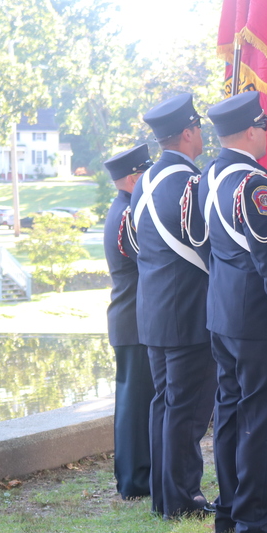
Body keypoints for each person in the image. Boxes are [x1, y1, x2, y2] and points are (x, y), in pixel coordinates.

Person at [200, 91, 267, 533]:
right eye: (266, 125)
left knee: (232, 414)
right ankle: (256, 521)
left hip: (222, 313)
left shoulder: (210, 175)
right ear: (253, 129)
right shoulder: (254, 183)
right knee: (264, 418)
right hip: (258, 320)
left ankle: (230, 512)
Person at [131, 93, 217, 519]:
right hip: (186, 311)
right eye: (198, 127)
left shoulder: (144, 181)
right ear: (187, 132)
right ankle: (183, 499)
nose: (201, 134)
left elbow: (134, 245)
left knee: (165, 404)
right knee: (186, 410)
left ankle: (166, 497)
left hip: (155, 310)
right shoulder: (188, 184)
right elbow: (209, 246)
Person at [102, 144, 155, 500]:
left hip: (128, 319)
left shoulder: (121, 209)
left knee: (132, 401)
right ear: (135, 177)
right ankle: (135, 480)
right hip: (134, 319)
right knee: (135, 405)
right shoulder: (128, 214)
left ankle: (133, 476)